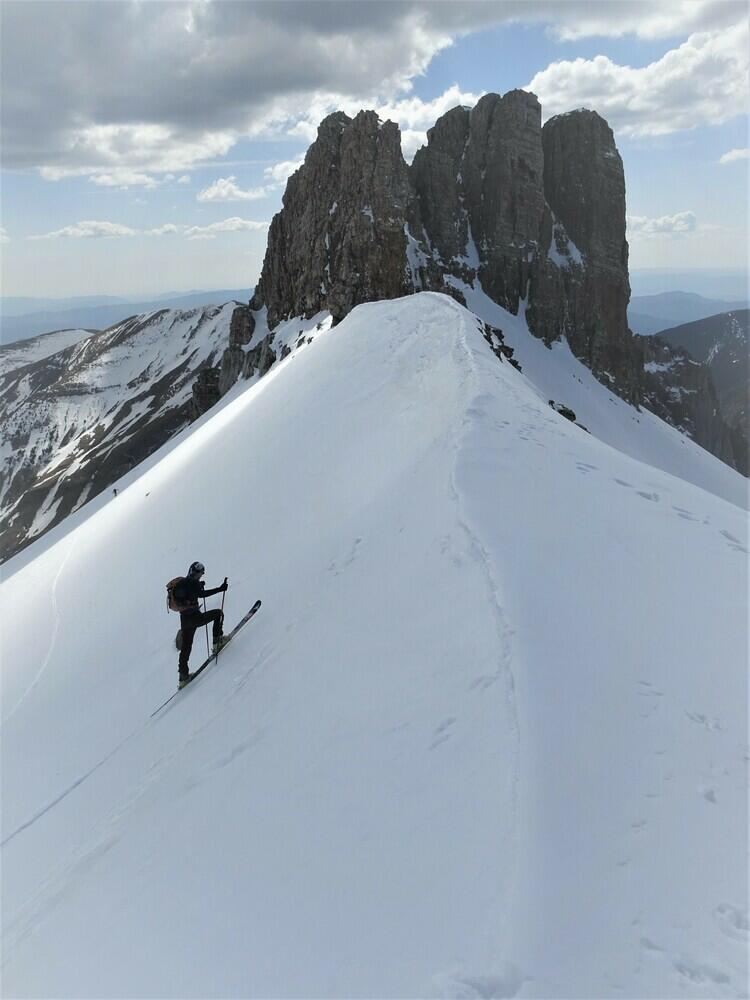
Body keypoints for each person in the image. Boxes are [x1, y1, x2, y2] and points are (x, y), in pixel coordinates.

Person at [173, 561, 229, 687]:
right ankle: (217, 641)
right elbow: (202, 594)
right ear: (196, 573)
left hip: (184, 621)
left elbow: (191, 592)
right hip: (195, 618)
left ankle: (183, 676)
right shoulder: (194, 583)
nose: (200, 577)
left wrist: (199, 585)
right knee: (218, 614)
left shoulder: (182, 582)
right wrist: (220, 589)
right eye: (200, 575)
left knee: (186, 647)